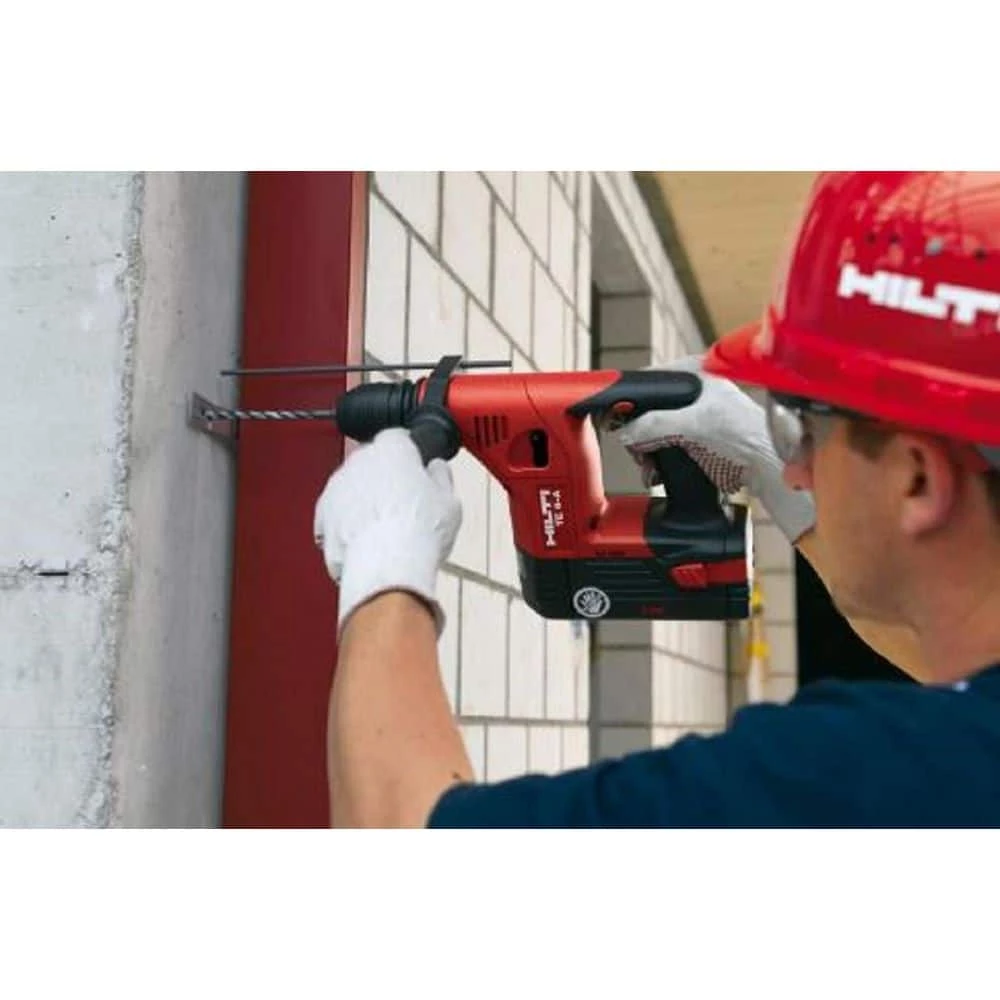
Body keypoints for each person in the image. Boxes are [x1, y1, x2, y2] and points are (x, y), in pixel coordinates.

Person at [313, 171, 1000, 828]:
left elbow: (403, 831)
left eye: (807, 429)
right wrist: (767, 471)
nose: (797, 471)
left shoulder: (846, 784)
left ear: (917, 478)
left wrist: (385, 566)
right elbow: (937, 640)